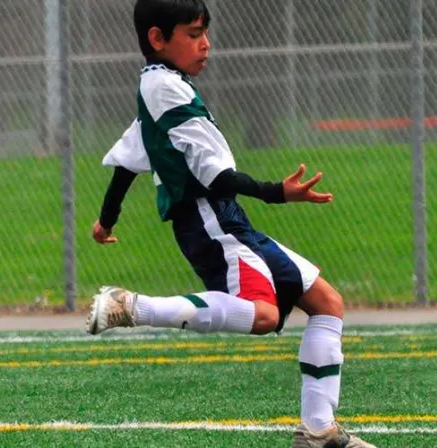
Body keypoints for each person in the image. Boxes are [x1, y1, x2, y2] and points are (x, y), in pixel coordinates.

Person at [86, 1, 377, 447]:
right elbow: (217, 178)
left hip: (223, 217)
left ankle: (318, 431)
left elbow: (129, 158)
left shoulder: (160, 86)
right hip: (207, 219)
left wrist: (106, 221)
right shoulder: (167, 89)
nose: (205, 44)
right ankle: (130, 306)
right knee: (263, 316)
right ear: (157, 39)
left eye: (205, 32)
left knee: (326, 302)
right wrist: (277, 191)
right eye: (193, 33)